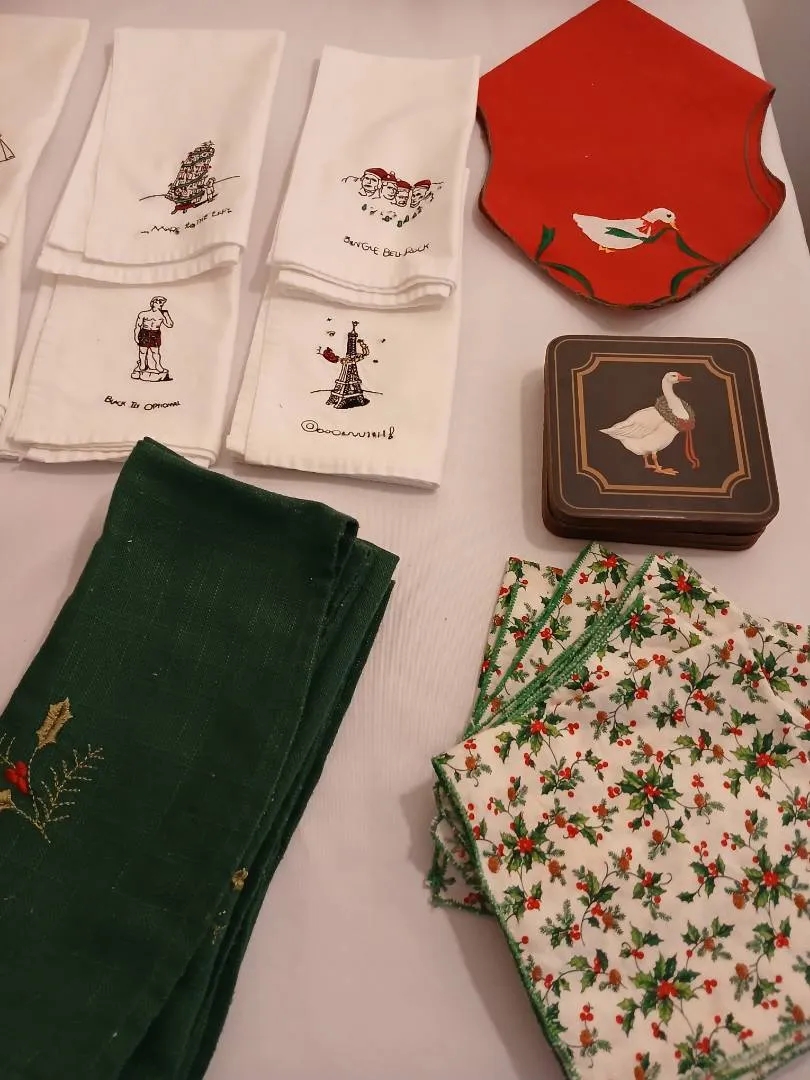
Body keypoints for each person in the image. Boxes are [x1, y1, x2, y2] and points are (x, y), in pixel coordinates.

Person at [133, 297, 174, 381]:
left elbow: (170, 325)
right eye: (159, 302)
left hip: (155, 334)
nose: (161, 304)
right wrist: (136, 336)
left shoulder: (162, 315)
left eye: (162, 302)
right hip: (145, 333)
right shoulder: (143, 314)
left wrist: (166, 315)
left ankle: (158, 365)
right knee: (143, 351)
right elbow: (138, 326)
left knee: (155, 352)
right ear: (153, 303)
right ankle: (142, 365)